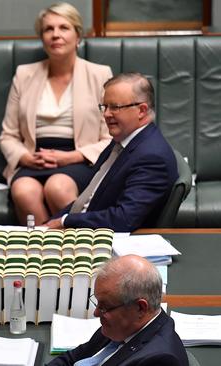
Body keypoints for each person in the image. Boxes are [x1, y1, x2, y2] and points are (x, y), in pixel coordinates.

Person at [0, 2, 112, 226]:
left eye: (63, 27)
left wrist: (71, 157)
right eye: (48, 29)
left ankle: (74, 252)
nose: (55, 35)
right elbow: (8, 135)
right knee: (23, 190)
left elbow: (110, 137)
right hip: (35, 159)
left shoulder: (100, 74)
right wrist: (25, 157)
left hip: (81, 159)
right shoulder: (24, 75)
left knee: (57, 187)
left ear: (78, 36)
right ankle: (44, 255)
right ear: (42, 38)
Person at [45, 72, 178, 232]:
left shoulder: (152, 158)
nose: (106, 114)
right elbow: (88, 198)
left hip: (110, 245)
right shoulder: (121, 141)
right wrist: (49, 224)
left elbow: (123, 218)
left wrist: (66, 221)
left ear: (142, 110)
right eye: (105, 107)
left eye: (115, 107)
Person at [48, 255, 188, 365]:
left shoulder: (159, 361)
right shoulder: (120, 327)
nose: (96, 313)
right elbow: (71, 358)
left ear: (140, 308)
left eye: (104, 306)